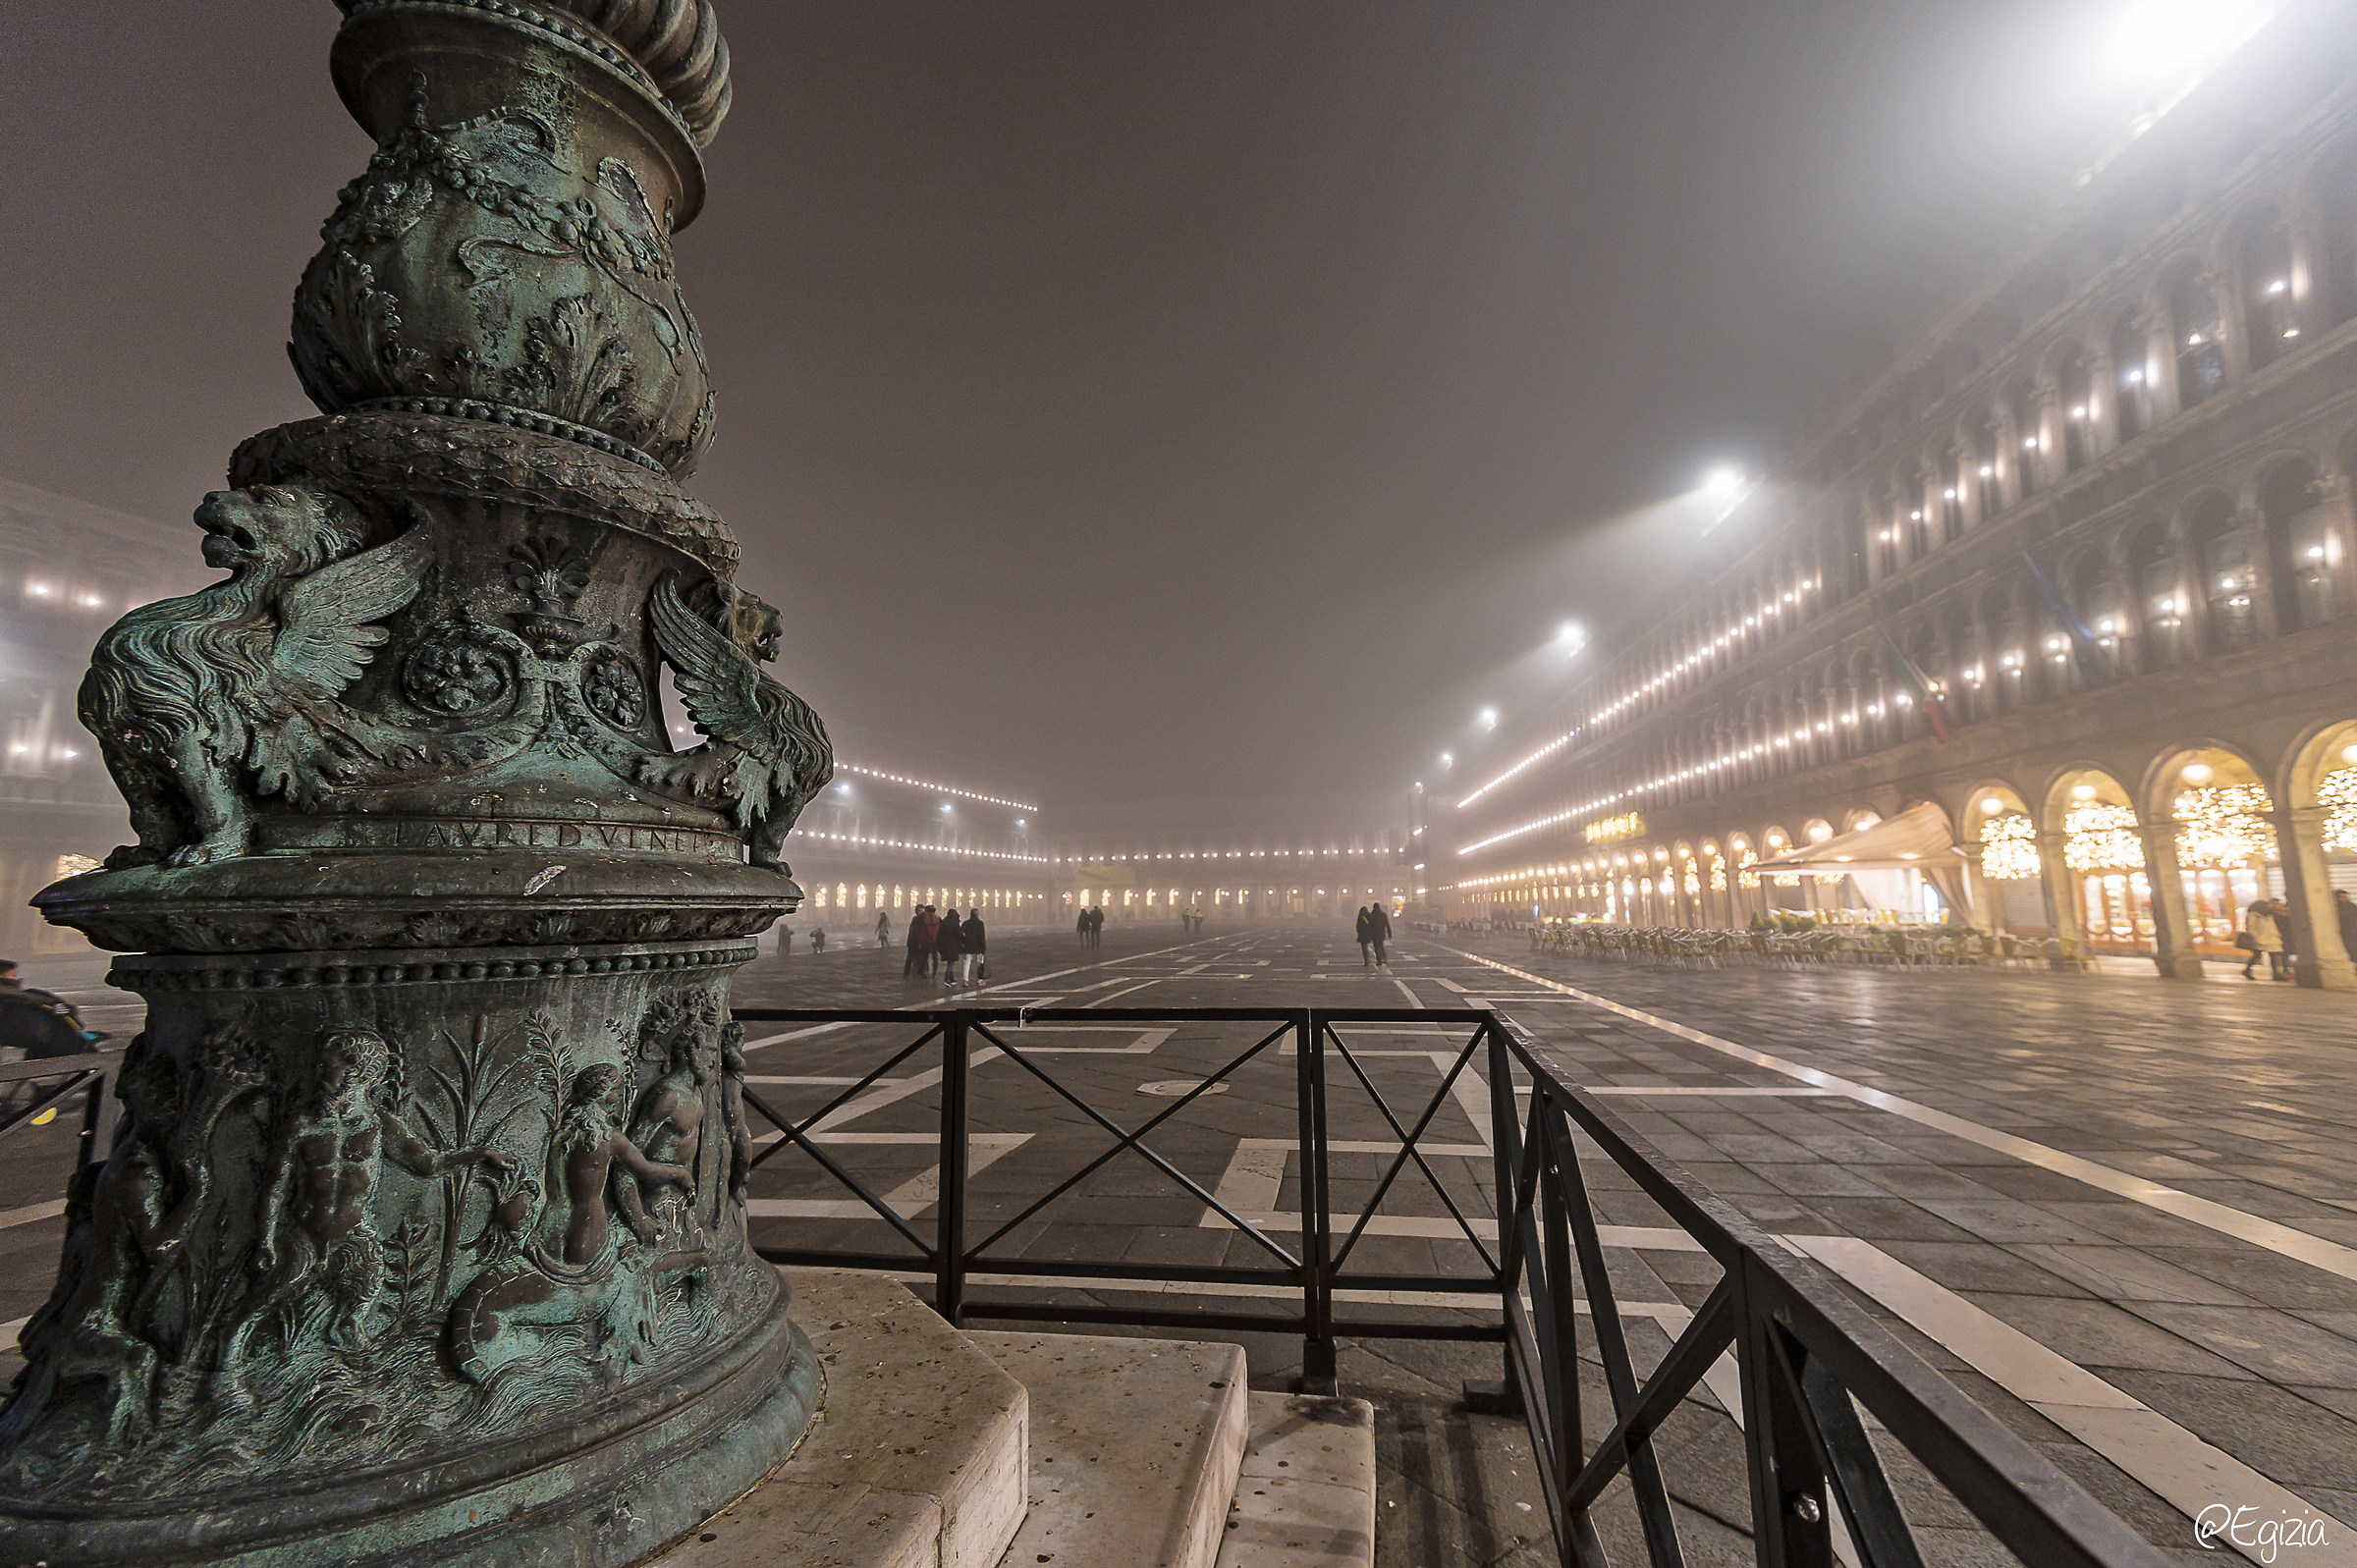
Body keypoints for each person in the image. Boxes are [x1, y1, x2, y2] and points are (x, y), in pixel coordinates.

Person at [0, 960, 102, 1059]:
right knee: (60, 1031)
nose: (16, 978)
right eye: (12, 975)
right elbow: (36, 1000)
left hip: (35, 1034)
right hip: (36, 1034)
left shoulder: (19, 995)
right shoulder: (15, 995)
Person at [2241, 897, 2283, 980]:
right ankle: (2247, 969)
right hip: (2260, 938)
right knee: (2257, 955)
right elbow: (2251, 926)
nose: (2273, 906)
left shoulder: (2269, 914)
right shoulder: (2254, 915)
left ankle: (2275, 974)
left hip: (2271, 937)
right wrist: (2254, 937)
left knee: (2273, 956)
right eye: (2272, 904)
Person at [959, 908, 987, 987]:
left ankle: (965, 980)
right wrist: (983, 947)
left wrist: (964, 942)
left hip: (968, 946)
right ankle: (980, 979)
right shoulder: (980, 924)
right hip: (978, 946)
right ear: (977, 915)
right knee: (980, 963)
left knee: (967, 963)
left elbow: (961, 934)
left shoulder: (966, 923)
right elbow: (982, 936)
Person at [937, 906, 964, 984]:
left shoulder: (944, 922)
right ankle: (946, 978)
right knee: (951, 962)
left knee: (950, 961)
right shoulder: (955, 923)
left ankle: (952, 979)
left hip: (944, 945)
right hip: (953, 945)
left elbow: (939, 934)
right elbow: (959, 934)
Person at [904, 908, 929, 980]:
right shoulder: (923, 919)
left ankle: (907, 972)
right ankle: (921, 972)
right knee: (920, 957)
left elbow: (912, 931)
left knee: (913, 957)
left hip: (913, 941)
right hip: (918, 941)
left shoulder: (916, 919)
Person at [1368, 901, 1393, 967]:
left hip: (1374, 934)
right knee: (1381, 946)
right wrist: (1389, 933)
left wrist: (1369, 935)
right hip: (1381, 933)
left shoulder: (1372, 915)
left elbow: (1370, 926)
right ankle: (1384, 958)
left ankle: (1379, 960)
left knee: (1376, 947)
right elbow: (1387, 924)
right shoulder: (1383, 914)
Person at [2337, 890, 2357, 967]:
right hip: (2347, 931)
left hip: (2354, 929)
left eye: (2345, 897)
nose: (2344, 899)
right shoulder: (2338, 909)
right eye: (2341, 897)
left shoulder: (2352, 906)